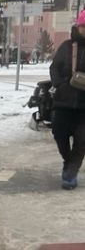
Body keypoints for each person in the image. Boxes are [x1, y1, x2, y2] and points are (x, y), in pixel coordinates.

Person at [49, 12, 85, 189]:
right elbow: (54, 67)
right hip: (64, 102)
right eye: (83, 26)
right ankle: (68, 162)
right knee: (59, 133)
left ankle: (71, 173)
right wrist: (60, 85)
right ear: (78, 26)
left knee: (82, 139)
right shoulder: (67, 46)